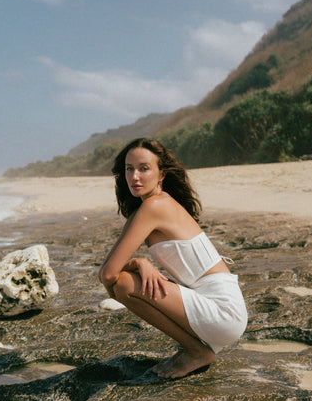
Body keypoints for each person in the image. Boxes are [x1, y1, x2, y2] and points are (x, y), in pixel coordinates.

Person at [98, 138, 247, 379]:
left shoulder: (155, 206)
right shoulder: (147, 207)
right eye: (129, 168)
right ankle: (197, 348)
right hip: (216, 309)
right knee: (123, 284)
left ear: (161, 174)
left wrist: (129, 271)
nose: (135, 176)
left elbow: (107, 275)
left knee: (124, 284)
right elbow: (107, 272)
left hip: (223, 311)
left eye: (144, 168)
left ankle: (196, 350)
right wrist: (139, 262)